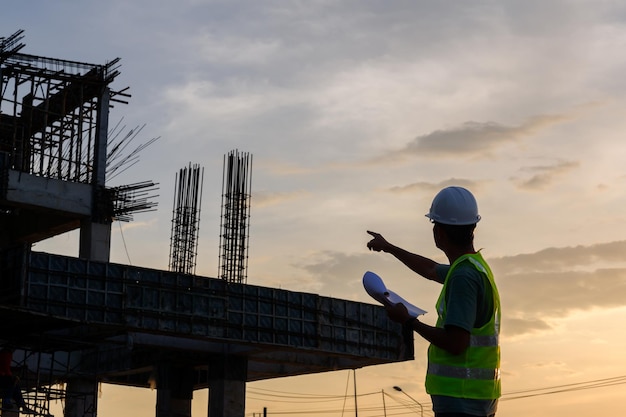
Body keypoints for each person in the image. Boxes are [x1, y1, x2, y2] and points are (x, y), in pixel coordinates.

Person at [367, 186, 501, 417]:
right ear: (473, 228)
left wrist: (408, 321)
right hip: (477, 397)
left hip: (461, 398)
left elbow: (456, 343)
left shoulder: (463, 276)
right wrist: (389, 248)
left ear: (438, 232)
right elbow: (430, 269)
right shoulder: (473, 268)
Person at [0, 347, 34, 413]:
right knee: (12, 384)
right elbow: (6, 368)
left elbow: (7, 368)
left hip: (4, 377)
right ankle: (8, 401)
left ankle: (22, 404)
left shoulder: (5, 354)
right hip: (2, 377)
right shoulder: (6, 354)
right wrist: (11, 377)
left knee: (15, 387)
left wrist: (18, 369)